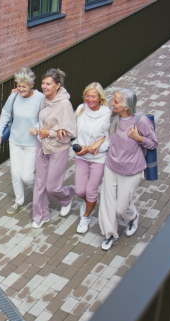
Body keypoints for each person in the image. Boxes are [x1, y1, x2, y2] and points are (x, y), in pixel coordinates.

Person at [98, 88, 158, 251]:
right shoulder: (114, 116)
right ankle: (109, 234)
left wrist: (139, 138)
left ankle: (132, 217)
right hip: (111, 166)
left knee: (121, 208)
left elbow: (153, 143)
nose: (112, 103)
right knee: (108, 203)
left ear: (126, 106)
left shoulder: (141, 121)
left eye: (116, 101)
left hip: (131, 170)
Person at [0, 67, 45, 214]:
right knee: (15, 173)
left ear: (32, 85)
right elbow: (5, 114)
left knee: (27, 176)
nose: (21, 89)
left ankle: (41, 190)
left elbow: (45, 118)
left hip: (31, 143)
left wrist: (36, 126)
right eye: (19, 85)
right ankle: (19, 200)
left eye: (24, 86)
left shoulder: (40, 98)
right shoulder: (14, 96)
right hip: (15, 140)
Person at [30, 69, 77, 228]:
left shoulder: (64, 104)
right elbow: (29, 92)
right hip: (42, 145)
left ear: (57, 85)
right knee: (40, 183)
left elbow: (71, 132)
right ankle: (41, 215)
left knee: (52, 186)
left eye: (48, 83)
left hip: (58, 148)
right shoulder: (44, 99)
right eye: (43, 83)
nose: (44, 86)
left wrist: (49, 132)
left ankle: (67, 196)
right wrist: (16, 92)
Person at [70, 82, 111, 234]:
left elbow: (109, 139)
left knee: (91, 190)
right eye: (87, 95)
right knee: (80, 190)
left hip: (98, 159)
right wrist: (77, 145)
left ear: (100, 98)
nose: (90, 99)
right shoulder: (81, 109)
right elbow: (73, 130)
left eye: (93, 96)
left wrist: (97, 147)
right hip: (81, 156)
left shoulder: (107, 115)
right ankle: (89, 202)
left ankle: (86, 216)